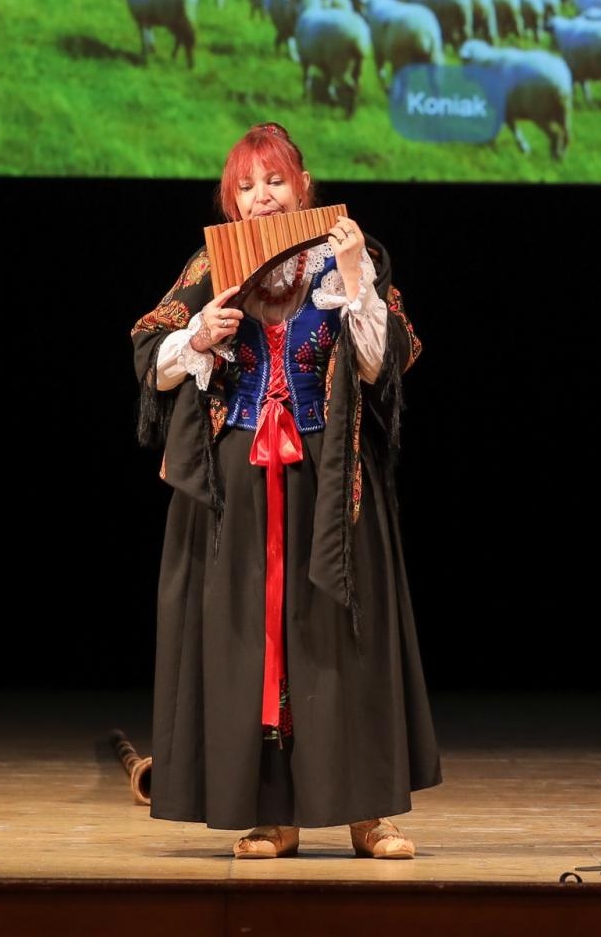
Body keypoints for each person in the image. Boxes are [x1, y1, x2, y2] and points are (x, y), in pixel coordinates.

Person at [131, 122, 440, 860]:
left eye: (274, 182)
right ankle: (273, 813)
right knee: (255, 645)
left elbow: (381, 364)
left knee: (344, 638)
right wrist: (199, 334)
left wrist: (359, 278)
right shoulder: (210, 264)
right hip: (237, 479)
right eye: (245, 186)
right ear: (231, 202)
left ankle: (369, 812)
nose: (262, 198)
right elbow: (150, 350)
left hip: (331, 476)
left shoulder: (346, 260)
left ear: (303, 188)